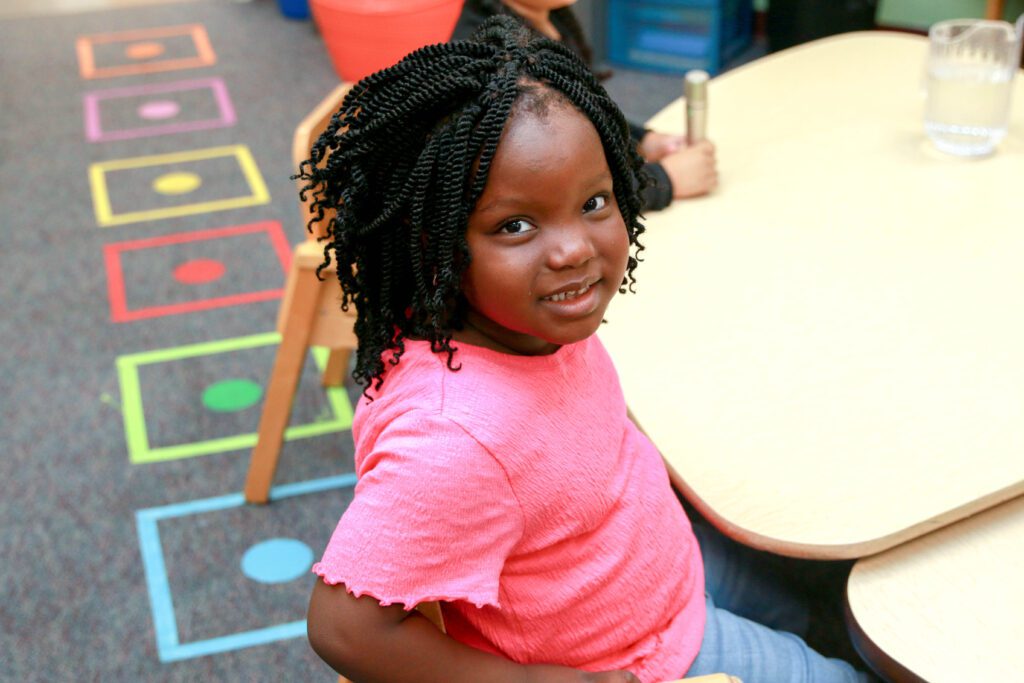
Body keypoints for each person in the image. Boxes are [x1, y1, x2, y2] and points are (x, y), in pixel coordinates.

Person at [302, 16, 873, 683]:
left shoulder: (523, 319)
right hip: (639, 652)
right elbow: (344, 628)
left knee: (839, 601)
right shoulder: (453, 437)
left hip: (660, 566)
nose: (575, 248)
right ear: (436, 248)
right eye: (515, 224)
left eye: (595, 201)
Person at [451, 0, 718, 212]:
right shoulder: (498, 59)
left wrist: (642, 139)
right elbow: (551, 186)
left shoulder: (548, 15)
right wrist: (663, 181)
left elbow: (585, 108)